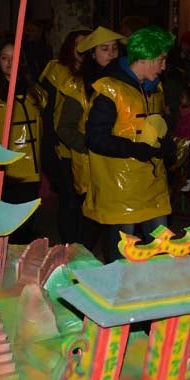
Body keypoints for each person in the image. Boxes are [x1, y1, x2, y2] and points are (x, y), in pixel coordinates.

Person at [84, 26, 175, 261]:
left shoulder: (155, 89)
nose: (164, 67)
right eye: (161, 60)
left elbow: (157, 126)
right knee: (121, 259)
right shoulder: (110, 90)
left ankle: (151, 295)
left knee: (160, 253)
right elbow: (95, 138)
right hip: (120, 193)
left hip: (153, 188)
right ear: (145, 58)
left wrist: (166, 145)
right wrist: (134, 149)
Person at [56, 26, 125, 250]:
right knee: (91, 226)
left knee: (116, 228)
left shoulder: (124, 82)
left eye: (114, 48)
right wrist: (92, 146)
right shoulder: (77, 86)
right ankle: (74, 268)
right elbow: (64, 128)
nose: (111, 53)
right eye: (105, 49)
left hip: (119, 166)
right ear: (92, 54)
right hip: (91, 167)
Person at [0, 41, 48, 245]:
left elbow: (45, 132)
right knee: (2, 226)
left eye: (14, 58)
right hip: (4, 172)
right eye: (4, 57)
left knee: (25, 225)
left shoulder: (36, 93)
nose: (9, 62)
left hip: (31, 171)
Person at [39, 28, 92, 244]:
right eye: (77, 43)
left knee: (86, 201)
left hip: (88, 148)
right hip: (62, 147)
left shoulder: (94, 73)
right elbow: (45, 108)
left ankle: (82, 244)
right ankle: (70, 246)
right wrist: (50, 144)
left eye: (86, 43)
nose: (81, 48)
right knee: (69, 199)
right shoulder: (56, 69)